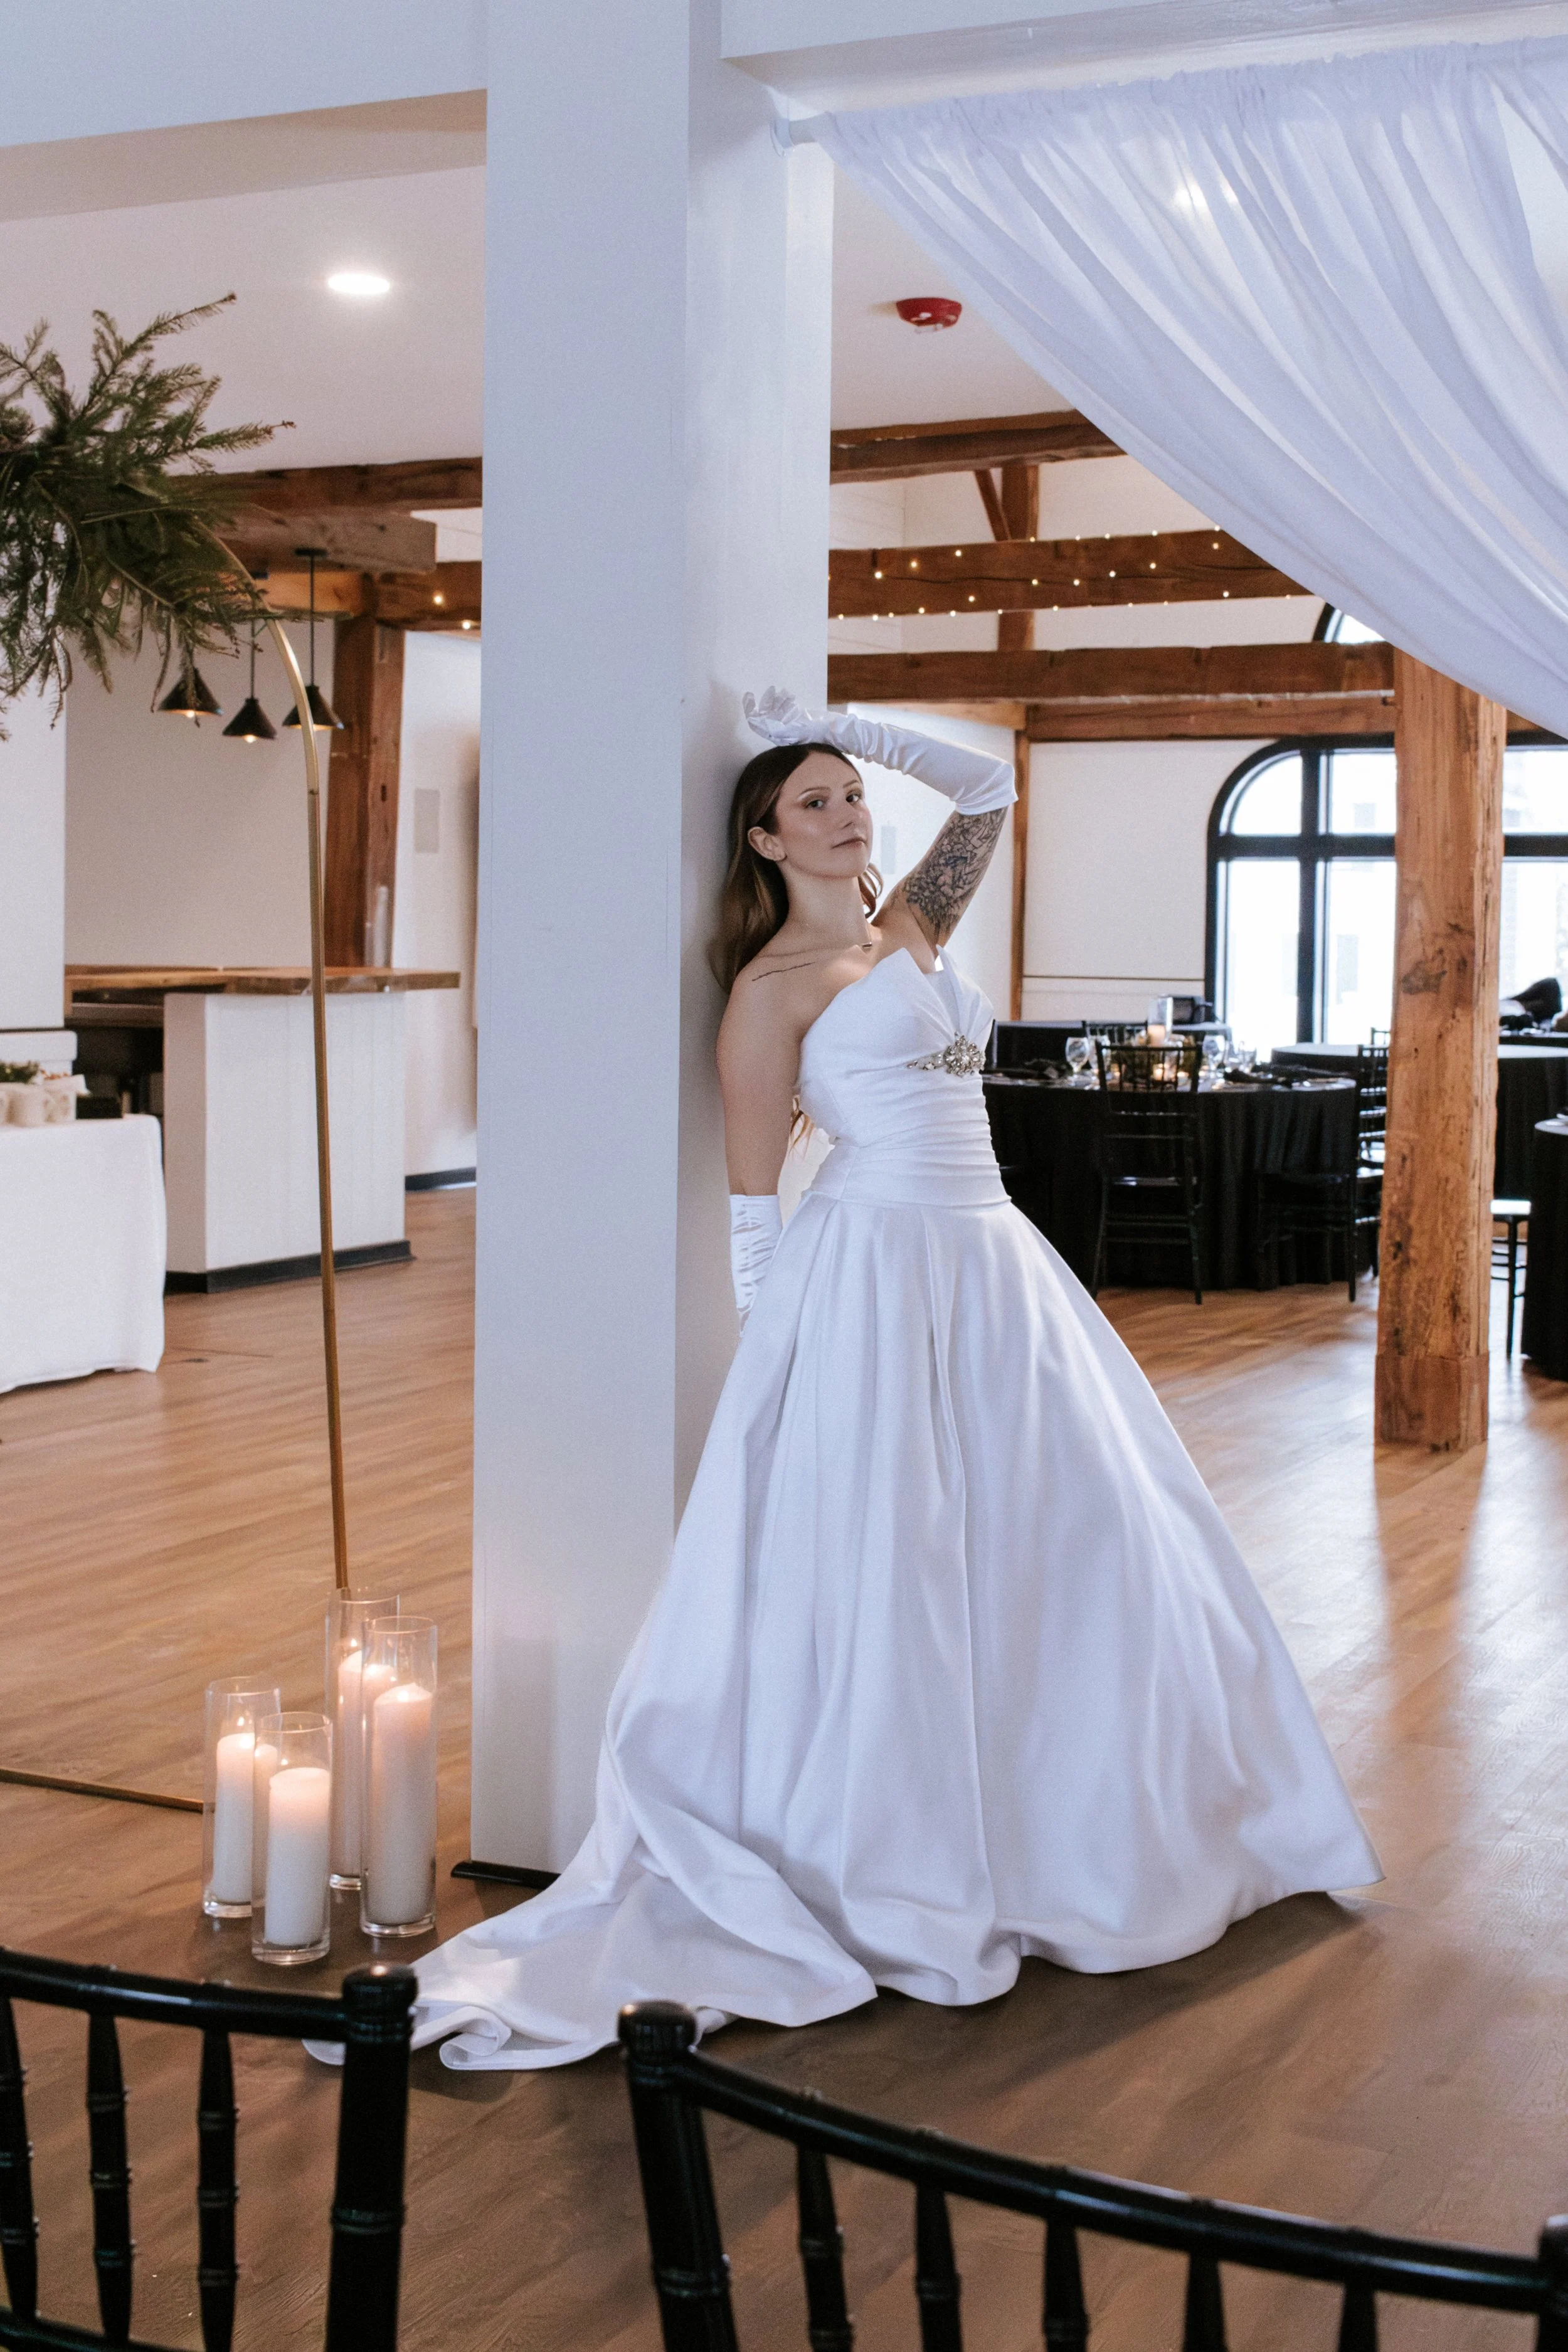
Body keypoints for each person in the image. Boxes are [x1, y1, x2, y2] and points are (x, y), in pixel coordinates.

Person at [400, 693, 1380, 2070]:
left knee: (1083, 1532)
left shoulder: (908, 929)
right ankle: (905, 1854)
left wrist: (841, 721)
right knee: (898, 1560)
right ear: (759, 837)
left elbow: (985, 787)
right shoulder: (766, 994)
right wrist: (775, 1347)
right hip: (863, 1273)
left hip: (993, 1264)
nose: (844, 812)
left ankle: (1085, 1834)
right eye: (811, 797)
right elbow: (750, 1192)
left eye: (849, 794)